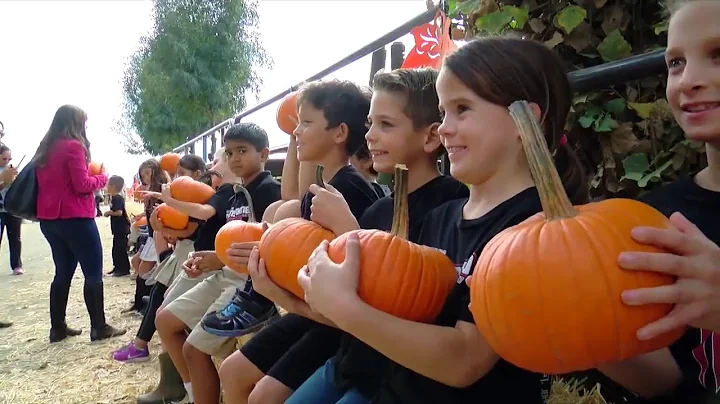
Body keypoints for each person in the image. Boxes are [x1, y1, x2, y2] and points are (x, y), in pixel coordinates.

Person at [296, 37, 588, 403]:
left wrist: (344, 306)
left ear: (524, 118)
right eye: (444, 111)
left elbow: (465, 359)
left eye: (462, 109)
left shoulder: (535, 228)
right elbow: (401, 316)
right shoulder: (443, 218)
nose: (445, 127)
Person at [215, 79, 380, 404]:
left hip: (333, 324)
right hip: (313, 312)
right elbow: (296, 197)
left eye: (306, 123)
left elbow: (341, 267)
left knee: (259, 393)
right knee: (233, 371)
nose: (296, 132)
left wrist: (270, 266)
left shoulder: (351, 190)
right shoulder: (329, 184)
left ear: (339, 132)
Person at [596, 1, 720, 402]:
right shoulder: (660, 214)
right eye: (676, 63)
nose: (688, 81)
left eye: (719, 55)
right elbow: (673, 381)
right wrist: (585, 333)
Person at [154, 123, 281, 404]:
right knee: (164, 320)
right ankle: (190, 393)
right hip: (225, 274)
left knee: (193, 349)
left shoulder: (270, 191)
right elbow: (231, 241)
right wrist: (208, 259)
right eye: (230, 152)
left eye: (242, 151)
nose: (235, 158)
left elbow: (272, 246)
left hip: (248, 285)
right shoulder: (234, 193)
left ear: (264, 154)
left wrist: (219, 258)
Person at [35, 104, 126, 343]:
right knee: (93, 272)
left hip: (49, 219)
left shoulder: (44, 149)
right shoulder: (73, 146)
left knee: (62, 272)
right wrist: (103, 177)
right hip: (75, 217)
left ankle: (57, 327)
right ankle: (98, 326)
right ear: (76, 123)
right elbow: (82, 185)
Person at [0, 144, 23, 275]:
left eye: (9, 159)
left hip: (13, 209)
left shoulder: (12, 170)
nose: (7, 162)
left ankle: (17, 265)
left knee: (15, 238)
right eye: (4, 159)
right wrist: (4, 182)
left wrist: (16, 179)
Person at [104, 175, 131, 277]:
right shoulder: (113, 198)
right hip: (117, 229)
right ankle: (117, 267)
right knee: (116, 249)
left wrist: (109, 212)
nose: (106, 186)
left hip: (121, 228)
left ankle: (123, 269)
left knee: (120, 249)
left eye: (108, 184)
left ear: (113, 186)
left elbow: (119, 212)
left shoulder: (118, 198)